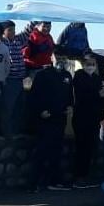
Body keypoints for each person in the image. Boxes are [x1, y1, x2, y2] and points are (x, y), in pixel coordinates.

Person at [28, 55, 74, 191]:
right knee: (41, 151)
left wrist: (70, 106)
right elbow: (34, 96)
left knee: (56, 151)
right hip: (45, 118)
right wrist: (40, 111)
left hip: (60, 118)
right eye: (58, 57)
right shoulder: (42, 75)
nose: (61, 60)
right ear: (51, 58)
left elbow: (69, 95)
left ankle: (54, 181)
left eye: (64, 58)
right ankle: (33, 183)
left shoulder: (67, 76)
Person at [72, 53, 104, 188]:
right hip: (81, 117)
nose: (91, 66)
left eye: (93, 64)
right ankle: (79, 177)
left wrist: (103, 115)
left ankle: (87, 175)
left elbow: (101, 99)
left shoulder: (97, 78)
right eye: (88, 64)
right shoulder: (79, 76)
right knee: (82, 148)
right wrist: (97, 94)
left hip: (94, 119)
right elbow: (81, 95)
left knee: (91, 148)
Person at [0, 20, 34, 137]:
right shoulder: (1, 43)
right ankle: (7, 133)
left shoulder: (18, 40)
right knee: (8, 107)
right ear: (3, 32)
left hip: (21, 80)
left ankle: (16, 131)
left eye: (14, 30)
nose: (13, 32)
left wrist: (35, 17)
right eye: (10, 30)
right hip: (9, 80)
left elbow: (28, 31)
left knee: (19, 107)